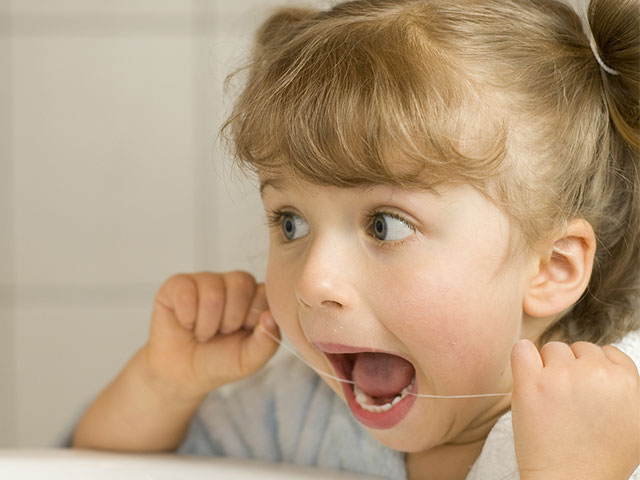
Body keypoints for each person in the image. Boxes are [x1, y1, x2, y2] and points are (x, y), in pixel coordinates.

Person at [71, 0, 640, 478]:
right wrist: (165, 384)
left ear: (552, 268)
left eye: (385, 225)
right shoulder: (303, 411)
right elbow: (86, 469)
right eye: (289, 221)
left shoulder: (619, 422)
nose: (315, 281)